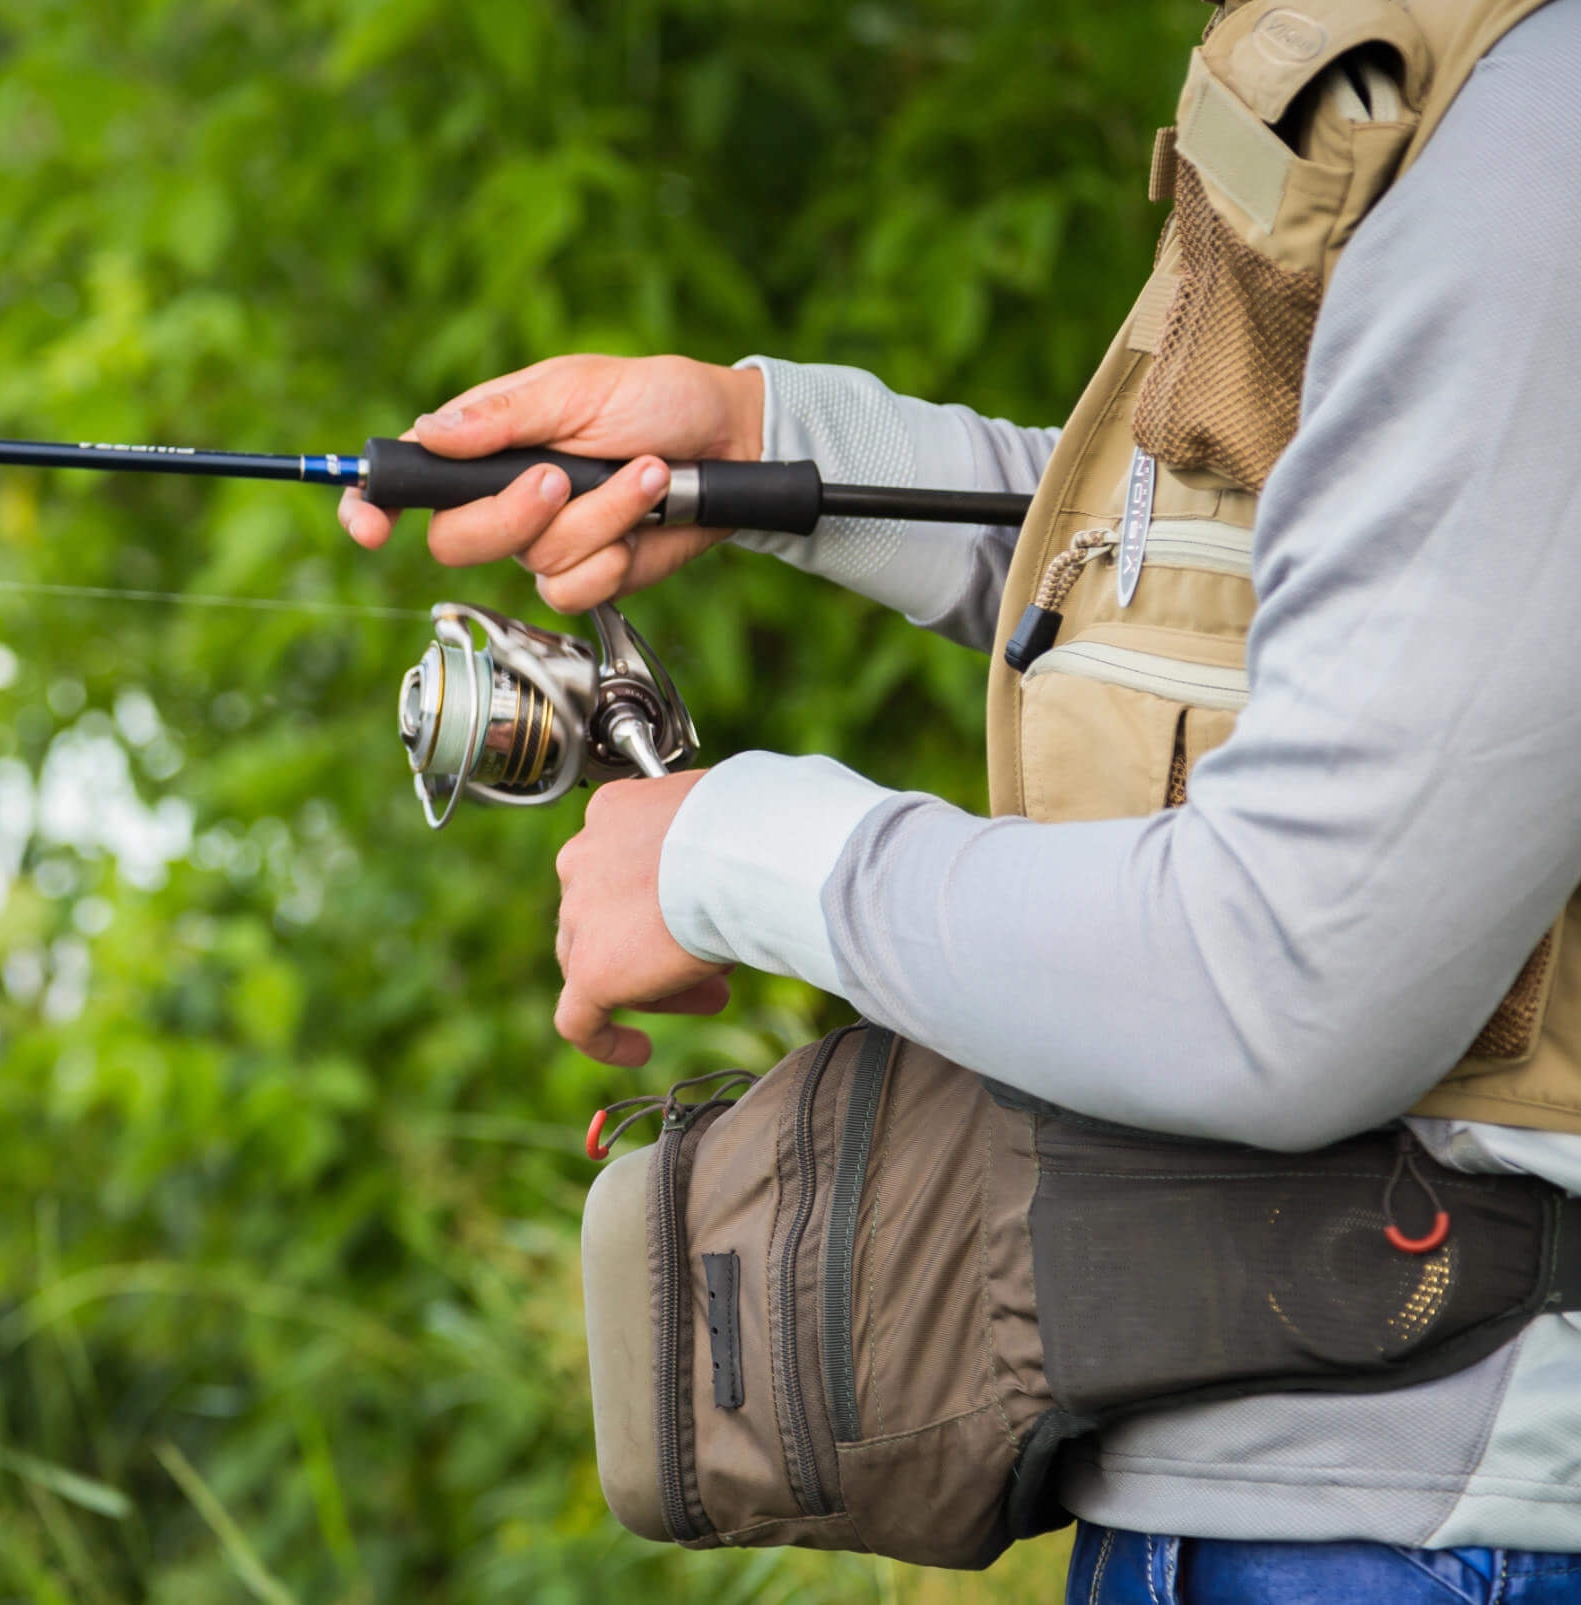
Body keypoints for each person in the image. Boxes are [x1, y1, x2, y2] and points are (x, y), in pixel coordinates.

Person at [343, 2, 1581, 1599]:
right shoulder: (1427, 78)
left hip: (1433, 1533)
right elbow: (1259, 599)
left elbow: (1290, 976)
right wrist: (769, 445)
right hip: (1259, 1501)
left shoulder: (1533, 131)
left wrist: (727, 853)